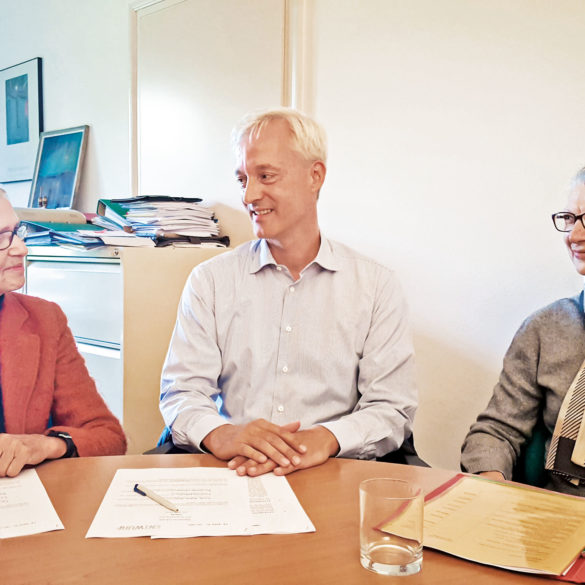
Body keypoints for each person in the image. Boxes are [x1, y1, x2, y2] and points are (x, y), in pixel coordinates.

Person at [160, 107, 417, 477]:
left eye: (266, 176)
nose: (249, 195)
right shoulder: (210, 281)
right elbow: (182, 392)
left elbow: (392, 407)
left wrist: (327, 438)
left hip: (332, 474)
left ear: (315, 176)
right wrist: (223, 434)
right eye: (242, 179)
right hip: (233, 473)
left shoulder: (376, 286)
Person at [461, 166, 585, 496]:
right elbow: (496, 431)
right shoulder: (545, 328)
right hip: (556, 513)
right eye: (569, 218)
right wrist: (493, 487)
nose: (574, 236)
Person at [0, 191, 126, 477]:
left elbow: (107, 438)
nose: (21, 248)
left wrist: (45, 446)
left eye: (17, 232)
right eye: (2, 237)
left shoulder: (44, 319)